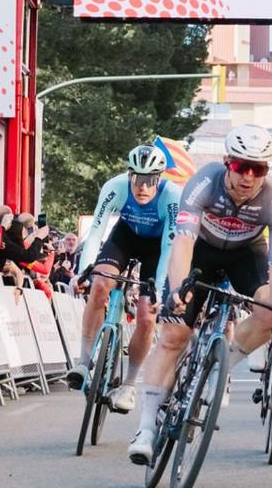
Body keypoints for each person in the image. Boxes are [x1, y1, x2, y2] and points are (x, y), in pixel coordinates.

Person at [127, 125, 272, 465]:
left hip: (246, 254)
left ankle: (221, 367)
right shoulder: (205, 181)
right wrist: (177, 291)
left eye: (258, 168)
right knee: (174, 335)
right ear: (227, 162)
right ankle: (145, 429)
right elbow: (184, 242)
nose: (249, 176)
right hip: (201, 249)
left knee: (269, 311)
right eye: (241, 167)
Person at [66, 145, 180, 413]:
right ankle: (84, 363)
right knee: (100, 284)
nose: (142, 187)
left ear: (159, 179)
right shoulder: (115, 186)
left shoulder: (173, 196)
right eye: (137, 179)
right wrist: (84, 271)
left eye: (150, 180)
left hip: (157, 247)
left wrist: (159, 292)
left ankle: (128, 385)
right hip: (125, 237)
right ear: (129, 176)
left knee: (146, 315)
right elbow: (96, 232)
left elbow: (170, 247)